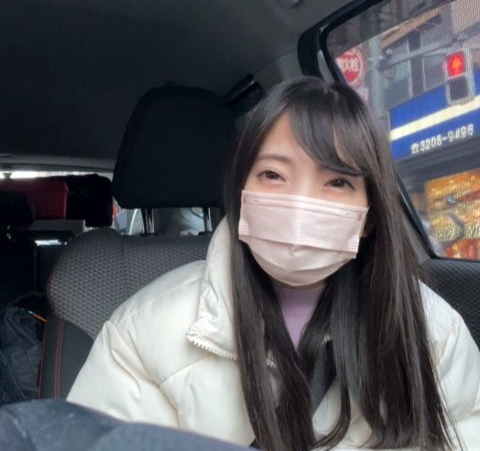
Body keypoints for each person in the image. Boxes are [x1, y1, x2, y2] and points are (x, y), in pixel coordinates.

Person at [67, 77, 480, 450]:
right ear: (241, 191)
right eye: (272, 175)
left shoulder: (432, 330)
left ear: (369, 215)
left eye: (338, 182)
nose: (301, 204)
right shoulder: (144, 331)